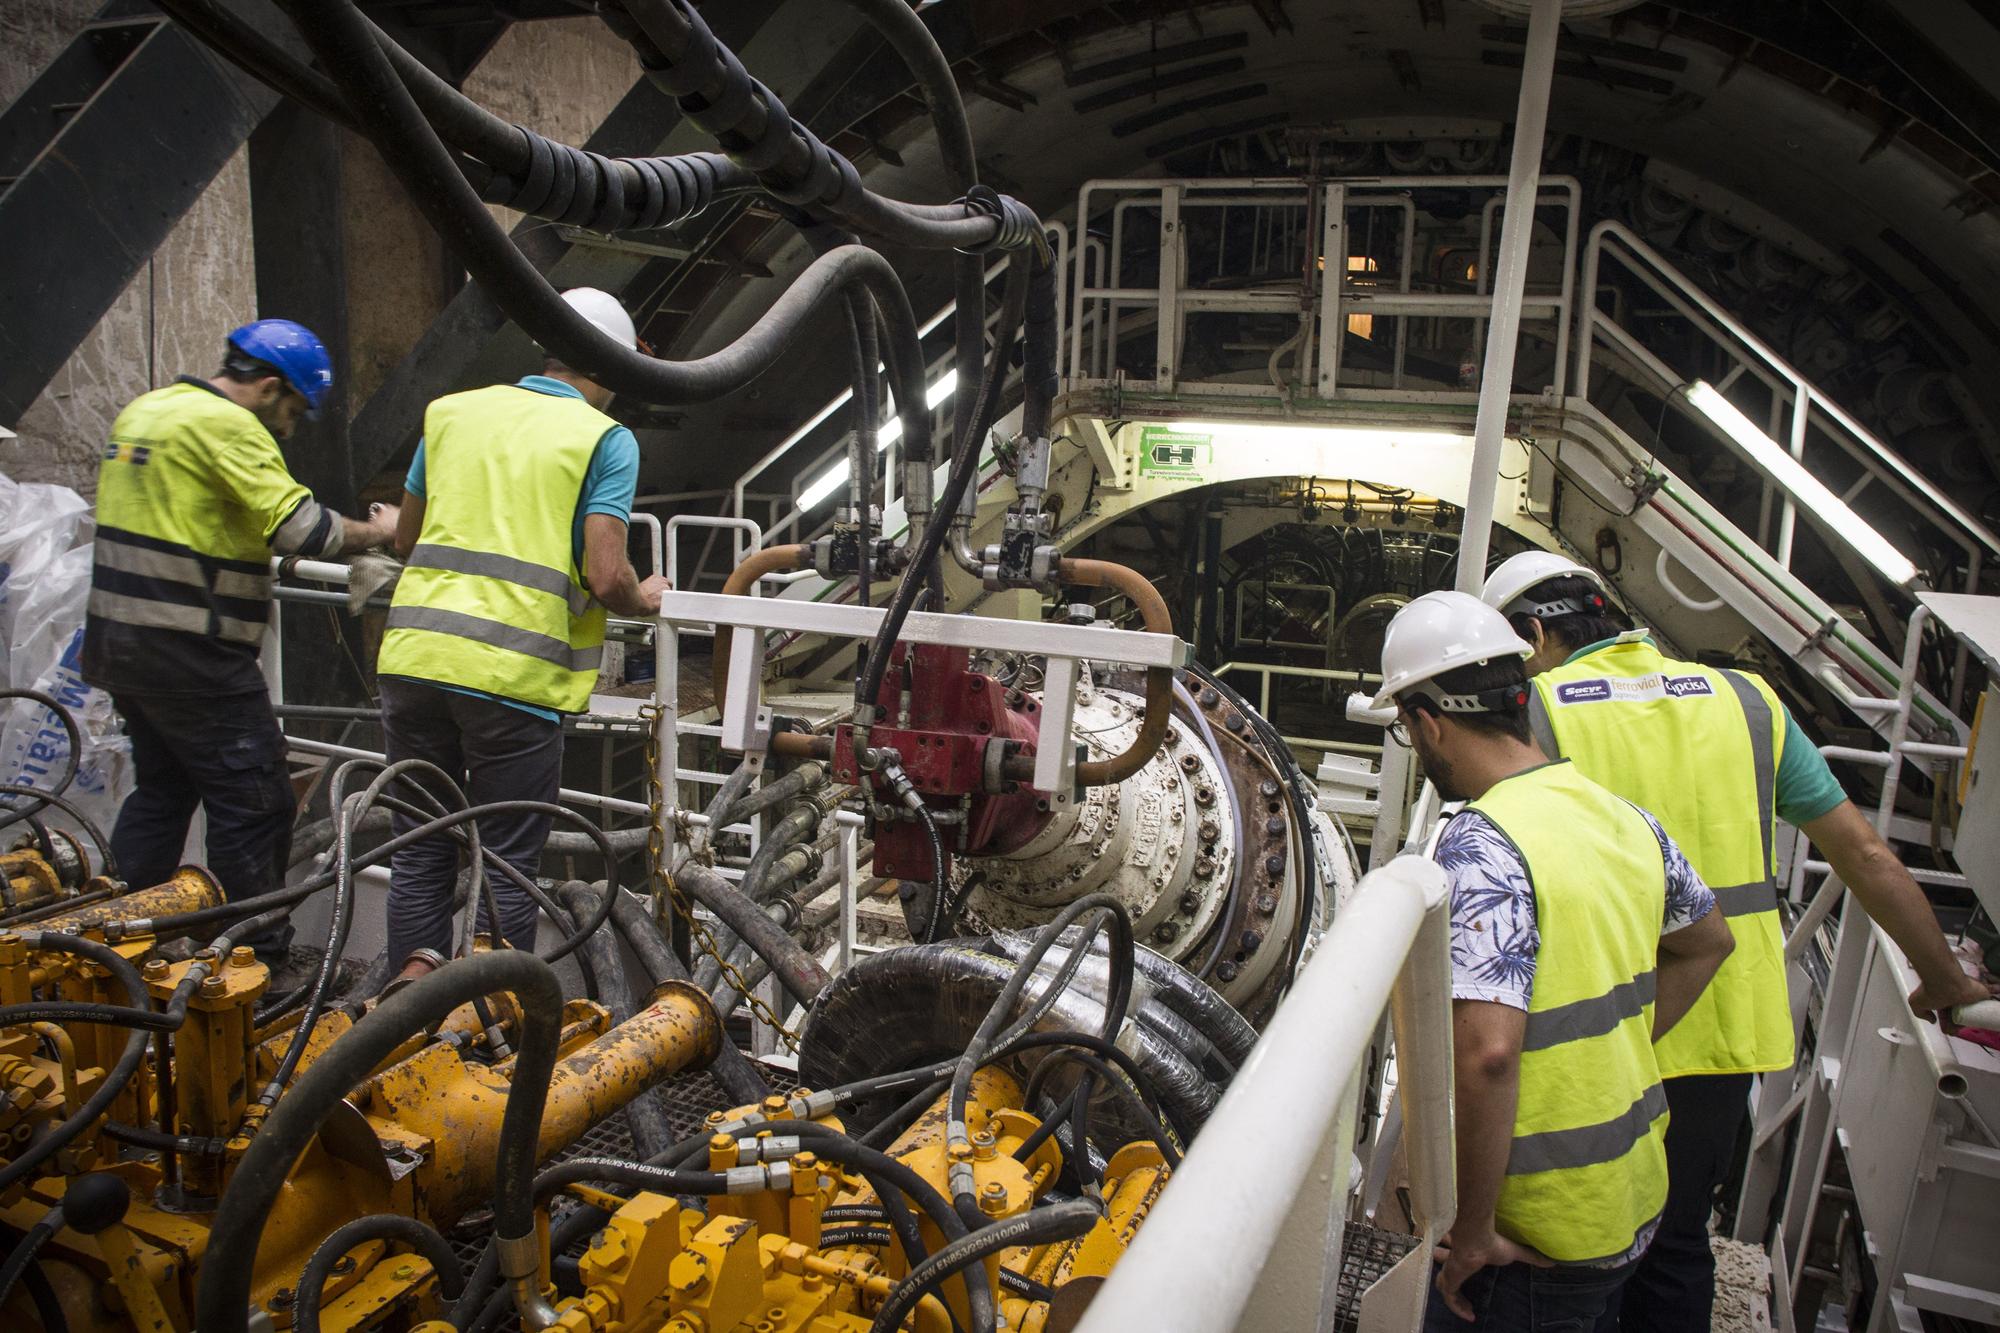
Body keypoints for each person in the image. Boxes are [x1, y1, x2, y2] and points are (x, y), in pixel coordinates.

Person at [1480, 550, 1991, 1333]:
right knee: (1678, 1241)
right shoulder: (1747, 703)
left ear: (1534, 634)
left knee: (1575, 1254)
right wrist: (1944, 977)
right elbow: (1866, 854)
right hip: (1720, 1030)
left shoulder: (1537, 714)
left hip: (1591, 1035)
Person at [1374, 591, 1736, 1332]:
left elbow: (1490, 1056)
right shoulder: (1621, 814)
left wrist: (1470, 1229)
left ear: (1428, 723)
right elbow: (1709, 941)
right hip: (1630, 1193)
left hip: (1533, 1235)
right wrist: (1614, 1047)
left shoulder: (1483, 840)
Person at [375, 287, 666, 982]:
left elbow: (408, 538)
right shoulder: (603, 438)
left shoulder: (449, 413)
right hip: (513, 680)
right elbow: (605, 573)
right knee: (505, 860)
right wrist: (645, 598)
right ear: (607, 365)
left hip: (414, 661)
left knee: (419, 849)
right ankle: (483, 1027)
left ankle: (407, 1015)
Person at [83, 319, 398, 954]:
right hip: (190, 653)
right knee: (257, 801)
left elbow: (190, 515)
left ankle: (110, 940)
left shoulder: (148, 410)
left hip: (119, 643)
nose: (290, 427)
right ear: (271, 387)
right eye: (293, 411)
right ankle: (252, 956)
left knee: (164, 791)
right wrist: (382, 531)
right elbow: (304, 532)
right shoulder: (228, 426)